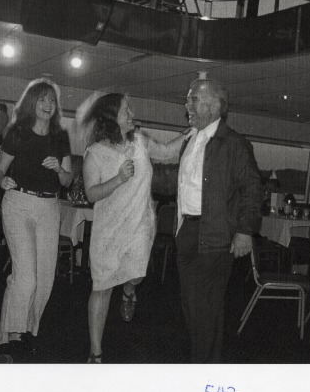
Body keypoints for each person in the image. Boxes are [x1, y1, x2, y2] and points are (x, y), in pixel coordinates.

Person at [81, 93, 187, 363]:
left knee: (137, 275)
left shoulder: (139, 141)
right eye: (126, 111)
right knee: (102, 287)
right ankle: (95, 352)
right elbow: (91, 194)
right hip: (109, 229)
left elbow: (166, 152)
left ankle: (129, 291)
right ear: (110, 118)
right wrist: (118, 179)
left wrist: (191, 133)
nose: (132, 114)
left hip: (140, 222)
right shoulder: (94, 154)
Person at [176, 79, 261, 363]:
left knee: (205, 309)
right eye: (188, 100)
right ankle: (207, 366)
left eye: (193, 100)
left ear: (213, 106)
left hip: (214, 235)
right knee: (193, 308)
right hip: (187, 230)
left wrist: (245, 232)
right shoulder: (190, 139)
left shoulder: (234, 143)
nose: (187, 106)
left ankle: (200, 373)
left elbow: (251, 189)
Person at [0, 78, 73, 357]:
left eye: (51, 100)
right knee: (25, 277)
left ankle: (23, 330)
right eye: (42, 99)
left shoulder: (60, 136)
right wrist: (1, 181)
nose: (48, 105)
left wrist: (59, 170)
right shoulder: (18, 132)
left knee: (44, 279)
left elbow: (67, 179)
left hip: (49, 207)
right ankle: (12, 335)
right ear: (32, 103)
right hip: (19, 204)